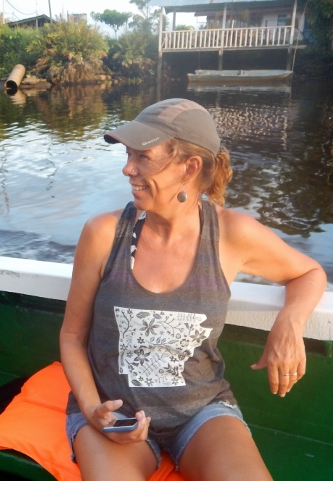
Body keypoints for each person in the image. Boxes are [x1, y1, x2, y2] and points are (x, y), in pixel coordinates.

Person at [59, 98, 326, 481]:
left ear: (190, 167)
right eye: (128, 155)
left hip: (201, 411)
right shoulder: (104, 234)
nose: (127, 169)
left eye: (143, 157)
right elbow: (72, 336)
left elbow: (309, 273)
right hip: (114, 410)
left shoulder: (231, 234)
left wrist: (289, 323)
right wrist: (92, 410)